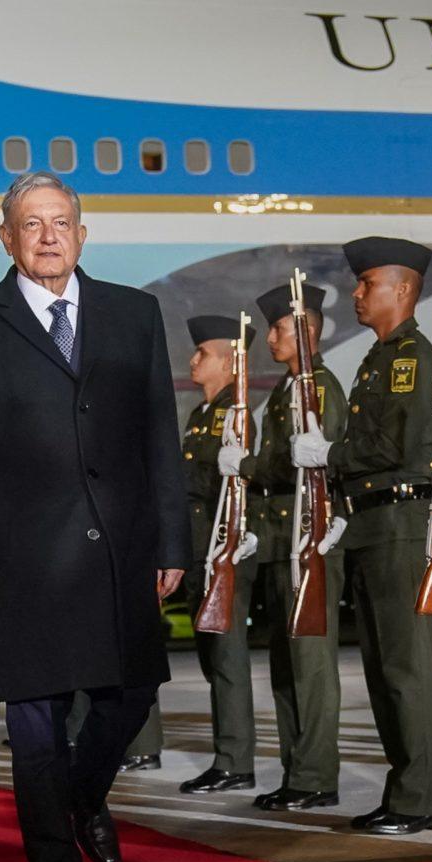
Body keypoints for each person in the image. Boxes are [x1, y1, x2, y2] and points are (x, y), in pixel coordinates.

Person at [0, 172, 188, 862]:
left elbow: (159, 441)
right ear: (7, 238)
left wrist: (173, 539)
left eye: (62, 222)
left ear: (82, 231)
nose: (49, 237)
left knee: (134, 691)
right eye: (32, 225)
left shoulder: (134, 315)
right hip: (23, 558)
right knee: (36, 715)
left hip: (119, 550)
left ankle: (82, 796)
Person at [313, 237, 432, 833]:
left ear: (403, 289)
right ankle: (405, 791)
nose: (357, 293)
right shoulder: (378, 357)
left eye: (368, 283)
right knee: (382, 667)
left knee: (405, 667)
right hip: (372, 522)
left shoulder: (409, 357)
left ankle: (421, 798)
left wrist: (331, 454)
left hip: (399, 524)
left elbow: (394, 445)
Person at [226, 281, 345, 813]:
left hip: (309, 540)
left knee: (311, 665)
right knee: (285, 665)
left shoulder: (319, 386)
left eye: (277, 328)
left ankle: (317, 774)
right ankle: (299, 769)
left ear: (305, 331)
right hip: (281, 539)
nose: (269, 337)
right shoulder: (288, 387)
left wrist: (245, 466)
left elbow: (311, 464)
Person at [178, 314, 263, 796]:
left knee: (227, 660)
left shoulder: (239, 414)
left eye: (203, 353)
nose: (193, 360)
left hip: (223, 551)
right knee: (214, 660)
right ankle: (230, 753)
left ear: (232, 361)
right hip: (197, 552)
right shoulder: (200, 415)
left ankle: (235, 760)